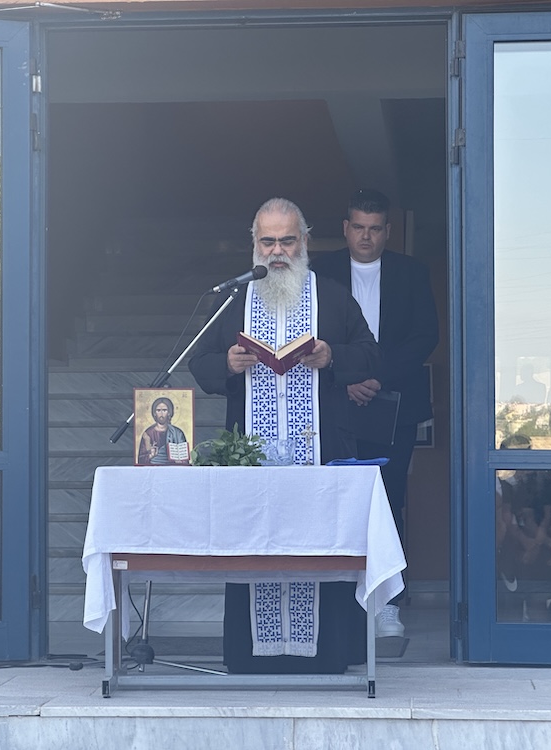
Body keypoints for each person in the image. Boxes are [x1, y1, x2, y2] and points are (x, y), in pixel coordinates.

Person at [189, 197, 381, 674]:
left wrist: (331, 357)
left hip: (321, 454)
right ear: (254, 244)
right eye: (268, 241)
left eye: (288, 241)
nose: (278, 251)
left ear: (305, 242)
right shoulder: (233, 302)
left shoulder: (333, 297)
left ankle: (327, 655)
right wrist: (227, 364)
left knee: (321, 548)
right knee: (252, 547)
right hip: (250, 456)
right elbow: (199, 363)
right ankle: (251, 656)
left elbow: (371, 355)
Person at [310, 188, 439, 638]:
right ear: (346, 228)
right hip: (333, 401)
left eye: (375, 229)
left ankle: (388, 603)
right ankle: (339, 601)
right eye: (359, 228)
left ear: (388, 231)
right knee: (334, 500)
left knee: (388, 499)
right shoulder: (319, 271)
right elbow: (306, 333)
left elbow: (425, 336)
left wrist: (375, 377)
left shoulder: (411, 272)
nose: (366, 237)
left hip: (394, 404)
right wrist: (346, 377)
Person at [137, 396, 189, 465]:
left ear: (169, 412)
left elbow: (185, 460)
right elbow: (141, 460)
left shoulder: (177, 433)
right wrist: (151, 455)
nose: (161, 414)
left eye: (164, 410)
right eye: (158, 410)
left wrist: (179, 460)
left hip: (172, 468)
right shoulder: (148, 434)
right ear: (154, 413)